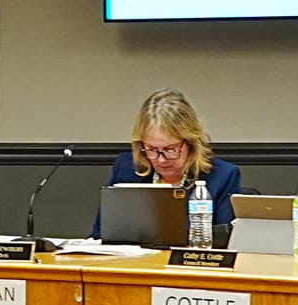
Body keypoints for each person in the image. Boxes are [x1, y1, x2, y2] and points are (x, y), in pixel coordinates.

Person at [92, 88, 242, 239]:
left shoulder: (223, 175)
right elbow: (100, 235)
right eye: (151, 149)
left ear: (191, 142)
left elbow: (225, 242)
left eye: (170, 150)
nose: (161, 159)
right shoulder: (126, 169)